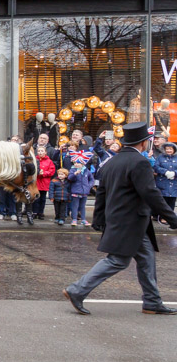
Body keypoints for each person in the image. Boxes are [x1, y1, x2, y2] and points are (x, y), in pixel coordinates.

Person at [64, 122, 177, 316]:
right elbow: (150, 193)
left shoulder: (112, 162)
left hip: (122, 220)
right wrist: (172, 217)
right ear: (143, 142)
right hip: (132, 221)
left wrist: (99, 219)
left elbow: (101, 194)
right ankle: (77, 290)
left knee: (146, 258)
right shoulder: (140, 162)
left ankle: (152, 301)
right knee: (118, 260)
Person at [152, 142, 177, 222]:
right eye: (167, 149)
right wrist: (165, 172)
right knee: (162, 200)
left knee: (171, 200)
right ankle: (160, 216)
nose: (169, 150)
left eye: (170, 149)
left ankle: (170, 217)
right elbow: (156, 166)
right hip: (162, 181)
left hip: (174, 182)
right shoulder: (160, 157)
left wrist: (174, 173)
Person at [67, 158, 95, 227]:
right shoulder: (72, 170)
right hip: (76, 191)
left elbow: (91, 179)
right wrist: (75, 174)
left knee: (82, 206)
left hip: (84, 191)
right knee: (75, 206)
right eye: (75, 163)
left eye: (78, 163)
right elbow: (70, 178)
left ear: (82, 164)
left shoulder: (86, 171)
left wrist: (89, 186)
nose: (76, 164)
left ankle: (83, 219)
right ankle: (74, 219)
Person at [32, 147, 56, 220]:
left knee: (42, 198)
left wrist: (44, 173)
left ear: (45, 152)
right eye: (39, 151)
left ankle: (40, 212)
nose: (40, 152)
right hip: (36, 183)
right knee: (36, 199)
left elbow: (52, 171)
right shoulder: (34, 160)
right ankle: (34, 212)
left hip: (44, 182)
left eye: (42, 151)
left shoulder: (49, 161)